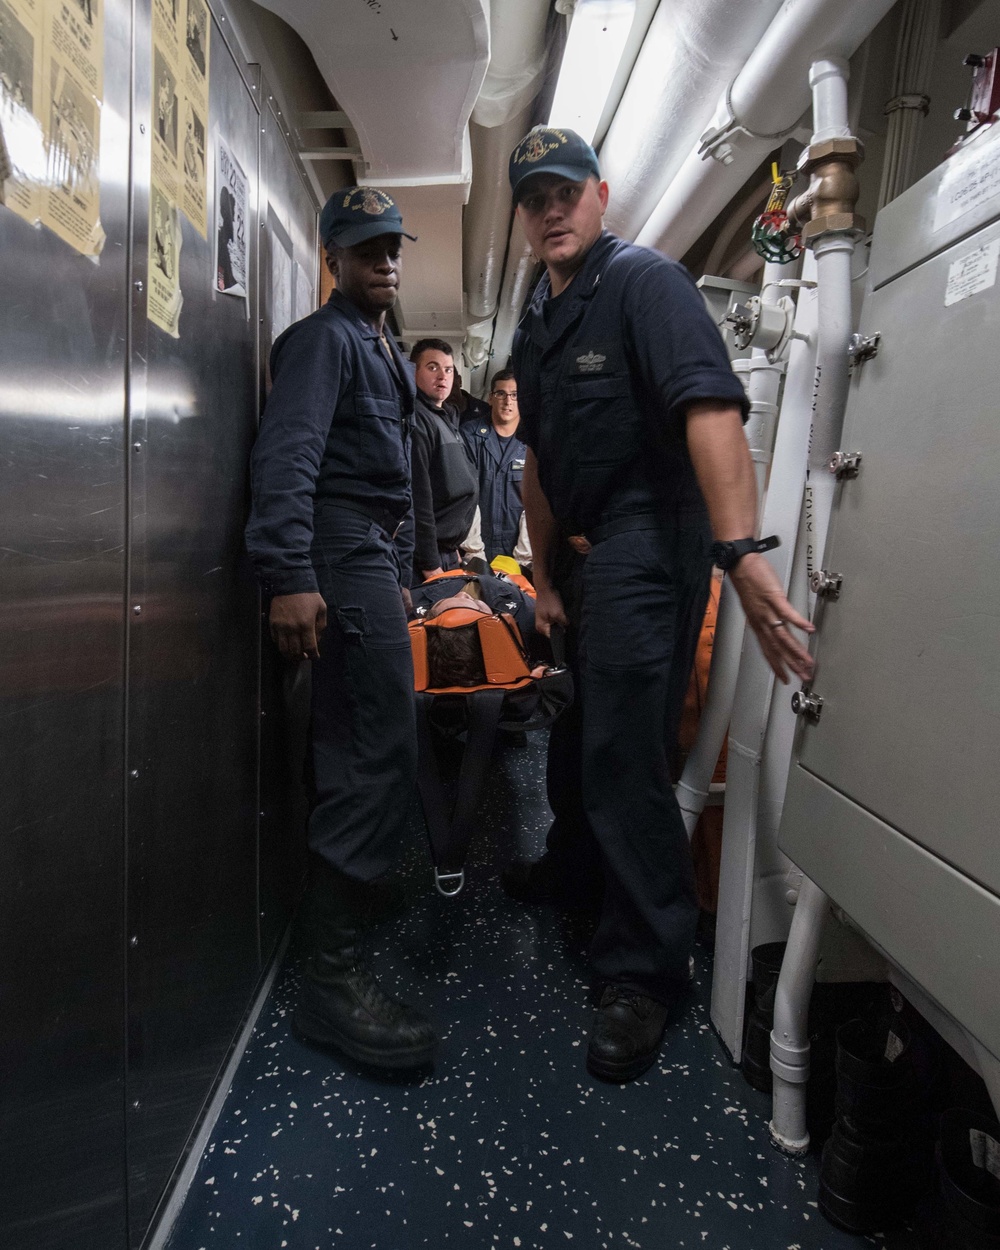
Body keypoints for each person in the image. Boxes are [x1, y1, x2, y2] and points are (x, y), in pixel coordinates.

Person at [503, 126, 815, 1083]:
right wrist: (547, 576)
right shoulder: (538, 321)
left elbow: (709, 408)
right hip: (590, 548)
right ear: (524, 216)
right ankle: (576, 872)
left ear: (602, 196)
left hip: (653, 534)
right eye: (535, 197)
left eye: (568, 191)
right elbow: (542, 462)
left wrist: (743, 555)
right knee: (577, 725)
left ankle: (644, 971)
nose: (553, 209)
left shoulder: (645, 284)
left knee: (626, 750)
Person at [245, 186, 438, 1071]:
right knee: (376, 751)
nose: (385, 261)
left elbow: (394, 483)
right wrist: (289, 574)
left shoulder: (380, 346)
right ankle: (331, 984)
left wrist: (401, 579)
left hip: (369, 558)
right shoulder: (324, 341)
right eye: (366, 250)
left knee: (362, 745)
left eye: (393, 247)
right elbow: (290, 456)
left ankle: (344, 921)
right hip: (334, 549)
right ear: (334, 259)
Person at [409, 338, 479, 583]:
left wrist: (453, 551)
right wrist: (430, 562)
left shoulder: (444, 417)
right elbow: (419, 498)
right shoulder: (418, 419)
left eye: (448, 369)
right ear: (413, 371)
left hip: (447, 551)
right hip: (425, 558)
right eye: (432, 367)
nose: (443, 376)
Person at [461, 369, 532, 567]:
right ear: (490, 398)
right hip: (478, 545)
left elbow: (535, 501)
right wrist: (474, 553)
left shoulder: (534, 440)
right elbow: (466, 496)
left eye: (514, 395)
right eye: (501, 393)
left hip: (519, 551)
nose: (508, 401)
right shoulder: (470, 436)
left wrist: (523, 559)